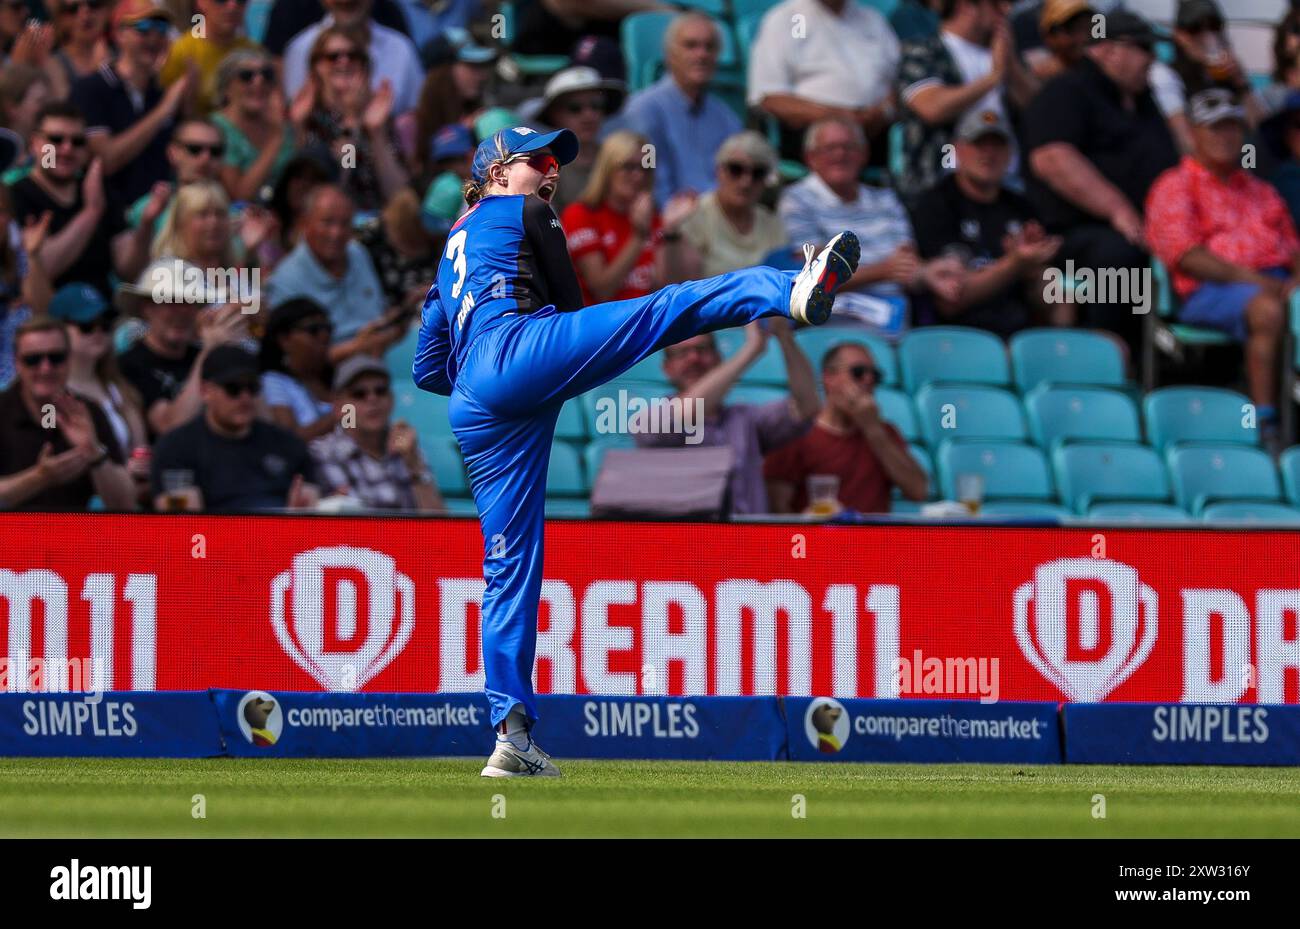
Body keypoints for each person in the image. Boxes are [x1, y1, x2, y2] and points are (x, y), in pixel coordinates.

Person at [413, 125, 859, 776]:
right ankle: (787, 290)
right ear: (495, 173)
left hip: (477, 403)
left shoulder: (449, 252)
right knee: (666, 308)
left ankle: (510, 734)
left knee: (508, 564)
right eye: (535, 160)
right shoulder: (528, 210)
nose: (550, 171)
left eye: (553, 162)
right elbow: (573, 303)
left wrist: (491, 378)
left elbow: (428, 367)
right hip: (520, 354)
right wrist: (524, 359)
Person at [1145, 90, 1300, 436]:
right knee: (1268, 309)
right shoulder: (1176, 185)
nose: (1225, 136)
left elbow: (1292, 247)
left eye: (1232, 127)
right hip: (1211, 290)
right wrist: (1256, 281)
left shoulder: (1262, 190)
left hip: (1274, 284)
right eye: (1214, 128)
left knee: (1280, 304)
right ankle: (1265, 421)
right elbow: (1186, 255)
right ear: (1194, 132)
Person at [1023, 9, 1178, 351]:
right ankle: (1110, 357)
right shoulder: (1067, 91)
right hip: (1072, 235)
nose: (1152, 59)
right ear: (1105, 49)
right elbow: (1051, 159)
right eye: (1142, 48)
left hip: (1148, 231)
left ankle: (1190, 368)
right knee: (1119, 257)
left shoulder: (1144, 102)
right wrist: (1117, 210)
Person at [779, 117, 963, 336]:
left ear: (864, 155)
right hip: (832, 331)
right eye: (830, 148)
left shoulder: (886, 199)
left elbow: (905, 265)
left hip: (892, 328)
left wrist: (930, 273)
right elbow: (809, 277)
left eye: (849, 147)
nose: (840, 155)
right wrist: (882, 271)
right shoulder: (797, 200)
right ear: (811, 158)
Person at [635, 319, 821, 514]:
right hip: (687, 540)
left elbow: (807, 406)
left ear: (718, 359)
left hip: (748, 540)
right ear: (667, 369)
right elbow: (687, 411)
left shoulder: (745, 418)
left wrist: (785, 337)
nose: (694, 358)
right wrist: (752, 349)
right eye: (682, 353)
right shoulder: (650, 419)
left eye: (703, 349)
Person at [908, 107, 1062, 334]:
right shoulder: (936, 205)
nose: (989, 154)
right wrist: (1014, 263)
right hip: (955, 339)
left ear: (1010, 152)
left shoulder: (1021, 206)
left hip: (1020, 334)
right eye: (979, 144)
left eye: (997, 145)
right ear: (958, 150)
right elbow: (951, 300)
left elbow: (1051, 302)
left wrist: (1034, 269)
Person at [8, 101, 155, 297]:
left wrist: (145, 225)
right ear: (35, 143)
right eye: (56, 140)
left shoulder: (101, 190)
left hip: (104, 317)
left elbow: (130, 272)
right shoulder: (15, 195)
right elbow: (41, 269)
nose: (67, 149)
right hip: (46, 320)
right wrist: (91, 212)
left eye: (77, 141)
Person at [895, 0, 1039, 200]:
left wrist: (1011, 65)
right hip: (940, 186)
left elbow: (1038, 108)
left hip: (1009, 188)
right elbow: (932, 108)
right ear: (966, 6)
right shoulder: (924, 50)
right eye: (996, 5)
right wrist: (994, 77)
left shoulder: (1004, 53)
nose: (1006, 9)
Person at [150, 342, 320, 511]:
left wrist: (300, 513)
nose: (245, 398)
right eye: (233, 388)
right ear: (205, 391)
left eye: (252, 388)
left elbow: (309, 500)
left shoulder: (287, 443)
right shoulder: (176, 449)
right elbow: (182, 524)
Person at [764, 341, 928, 514]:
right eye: (858, 373)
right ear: (829, 378)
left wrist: (873, 430)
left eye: (875, 375)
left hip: (873, 539)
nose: (868, 380)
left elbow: (918, 491)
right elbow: (777, 509)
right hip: (817, 538)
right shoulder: (796, 434)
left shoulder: (885, 432)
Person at [0, 314, 135, 510]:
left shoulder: (89, 411)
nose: (45, 368)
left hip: (74, 535)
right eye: (33, 360)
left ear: (69, 359)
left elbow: (124, 505)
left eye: (56, 358)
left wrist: (94, 452)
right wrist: (39, 478)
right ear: (17, 363)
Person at [71, 0, 193, 211]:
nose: (154, 38)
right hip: (109, 220)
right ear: (119, 34)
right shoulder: (92, 88)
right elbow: (105, 161)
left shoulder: (162, 93)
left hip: (159, 216)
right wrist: (163, 111)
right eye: (143, 29)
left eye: (162, 29)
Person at [748, 0, 900, 164]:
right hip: (813, 131)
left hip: (875, 131)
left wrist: (883, 112)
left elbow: (900, 82)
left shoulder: (872, 20)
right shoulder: (790, 20)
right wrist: (840, 117)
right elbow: (770, 97)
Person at [265, 183, 406, 360]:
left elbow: (377, 313)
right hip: (332, 376)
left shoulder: (358, 252)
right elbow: (291, 361)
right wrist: (356, 347)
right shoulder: (285, 281)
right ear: (305, 224)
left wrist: (401, 314)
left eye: (345, 223)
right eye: (327, 222)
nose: (336, 233)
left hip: (382, 355)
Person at [617, 11, 741, 206]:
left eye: (709, 47)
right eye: (690, 45)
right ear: (669, 54)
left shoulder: (726, 117)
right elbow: (647, 184)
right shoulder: (643, 110)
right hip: (668, 223)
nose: (701, 54)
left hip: (721, 221)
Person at [116, 257, 250, 437]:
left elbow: (256, 416)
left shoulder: (202, 354)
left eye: (189, 302)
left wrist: (234, 349)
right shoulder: (130, 364)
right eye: (170, 301)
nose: (182, 312)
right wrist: (209, 351)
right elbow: (171, 425)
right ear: (147, 308)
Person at [560, 129, 696, 303]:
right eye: (629, 166)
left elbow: (671, 289)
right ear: (607, 169)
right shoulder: (580, 214)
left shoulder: (654, 218)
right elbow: (603, 291)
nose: (638, 175)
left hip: (648, 321)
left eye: (646, 168)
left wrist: (670, 231)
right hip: (604, 323)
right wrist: (638, 237)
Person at [289, 26, 409, 211]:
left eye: (353, 56)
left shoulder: (378, 115)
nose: (344, 61)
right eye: (333, 56)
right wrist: (351, 125)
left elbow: (399, 194)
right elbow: (338, 189)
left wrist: (376, 133)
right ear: (317, 66)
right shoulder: (310, 120)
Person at [310, 353, 444, 511]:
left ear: (391, 399)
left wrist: (414, 465)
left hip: (411, 536)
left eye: (380, 391)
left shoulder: (407, 447)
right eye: (359, 394)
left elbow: (440, 524)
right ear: (340, 408)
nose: (372, 399)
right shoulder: (323, 453)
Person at [48, 280, 147, 456]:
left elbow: (140, 451)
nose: (98, 331)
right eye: (86, 325)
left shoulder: (120, 389)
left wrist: (139, 466)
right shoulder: (47, 393)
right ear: (58, 330)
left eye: (105, 323)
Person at [1149, 0, 1260, 154]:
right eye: (1196, 29)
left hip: (1240, 165)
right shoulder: (1166, 74)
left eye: (1214, 27)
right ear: (1179, 35)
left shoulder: (1230, 75)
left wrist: (1241, 82)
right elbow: (1183, 139)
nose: (1207, 35)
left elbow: (1259, 129)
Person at [282, 0, 424, 117]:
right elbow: (295, 123)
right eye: (333, 57)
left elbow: (415, 122)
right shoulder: (300, 50)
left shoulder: (401, 49)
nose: (346, 1)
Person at [676, 130, 786, 278]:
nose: (746, 182)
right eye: (736, 169)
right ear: (718, 171)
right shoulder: (696, 215)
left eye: (757, 173)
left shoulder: (771, 223)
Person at [518, 66, 624, 215]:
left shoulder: (621, 159)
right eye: (575, 108)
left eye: (596, 105)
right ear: (554, 115)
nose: (588, 115)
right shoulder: (545, 168)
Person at [212, 49, 298, 203]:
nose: (258, 81)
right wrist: (276, 139)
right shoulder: (215, 128)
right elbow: (240, 195)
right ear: (226, 88)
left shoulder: (283, 126)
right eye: (246, 76)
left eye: (266, 75)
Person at [157, 0, 259, 115]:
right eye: (221, 1)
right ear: (201, 3)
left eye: (241, 1)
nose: (232, 6)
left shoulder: (255, 54)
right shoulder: (182, 52)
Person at [125, 118, 225, 233]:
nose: (205, 159)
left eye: (215, 151)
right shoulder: (147, 209)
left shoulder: (235, 216)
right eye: (194, 149)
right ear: (173, 153)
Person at [258, 296, 338, 439]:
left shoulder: (338, 376)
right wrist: (339, 415)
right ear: (284, 339)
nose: (324, 336)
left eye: (327, 329)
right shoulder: (273, 382)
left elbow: (352, 429)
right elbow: (289, 439)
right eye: (313, 330)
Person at [0, 180, 51, 387]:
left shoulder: (17, 255)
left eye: (1, 211)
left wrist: (32, 255)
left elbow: (43, 314)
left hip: (18, 384)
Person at [42, 0, 113, 102]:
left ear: (108, 10)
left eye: (93, 5)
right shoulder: (54, 64)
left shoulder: (122, 54)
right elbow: (66, 110)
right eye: (73, 9)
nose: (85, 13)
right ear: (61, 19)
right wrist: (98, 73)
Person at [1022, 0, 1093, 83]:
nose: (1083, 37)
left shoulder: (1098, 69)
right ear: (1049, 37)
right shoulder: (1038, 80)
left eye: (1087, 27)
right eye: (1071, 29)